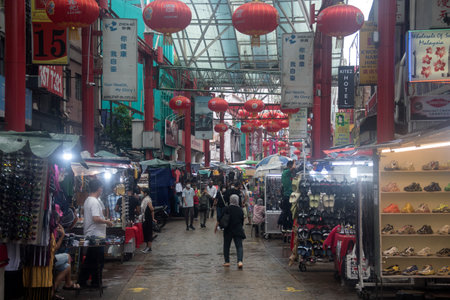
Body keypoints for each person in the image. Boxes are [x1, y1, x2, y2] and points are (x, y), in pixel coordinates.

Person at [78, 179, 113, 288]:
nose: (102, 190)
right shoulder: (93, 201)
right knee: (97, 261)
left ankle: (85, 282)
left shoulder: (89, 200)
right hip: (95, 236)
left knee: (91, 260)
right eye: (101, 188)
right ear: (98, 188)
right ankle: (95, 282)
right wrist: (107, 221)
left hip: (92, 234)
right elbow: (96, 218)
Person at [215, 194, 245, 269]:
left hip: (228, 230)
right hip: (238, 230)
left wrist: (216, 227)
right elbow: (242, 220)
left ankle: (227, 261)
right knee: (239, 246)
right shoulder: (240, 210)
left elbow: (220, 219)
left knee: (226, 246)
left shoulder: (226, 208)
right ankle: (240, 261)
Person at [140, 189, 157, 253]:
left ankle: (149, 248)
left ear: (145, 193)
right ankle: (147, 247)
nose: (141, 193)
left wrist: (152, 218)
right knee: (146, 233)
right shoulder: (144, 199)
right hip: (145, 219)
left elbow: (152, 209)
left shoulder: (147, 199)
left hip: (148, 219)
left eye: (142, 192)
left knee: (149, 233)